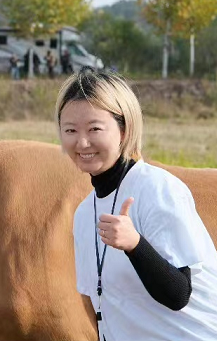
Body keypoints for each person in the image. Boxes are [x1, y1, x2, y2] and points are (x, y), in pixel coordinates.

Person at [55, 68, 217, 341]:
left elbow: (178, 294)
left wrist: (134, 245)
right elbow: (100, 305)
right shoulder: (85, 213)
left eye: (94, 128)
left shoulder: (157, 189)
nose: (82, 142)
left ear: (124, 129)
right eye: (70, 130)